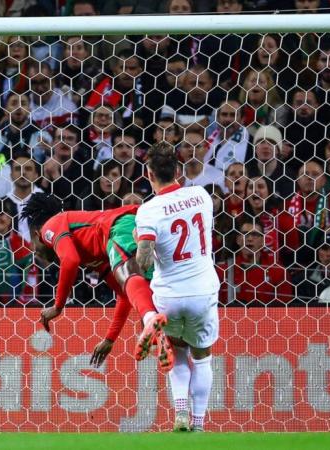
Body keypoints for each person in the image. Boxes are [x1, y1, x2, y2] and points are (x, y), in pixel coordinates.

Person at [21, 193, 174, 372]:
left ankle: (151, 322)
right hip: (138, 228)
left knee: (136, 290)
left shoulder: (51, 225)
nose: (35, 251)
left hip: (119, 228)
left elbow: (70, 260)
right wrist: (109, 339)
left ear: (37, 234)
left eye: (33, 243)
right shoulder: (93, 251)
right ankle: (164, 336)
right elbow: (124, 295)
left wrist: (57, 307)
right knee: (142, 292)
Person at [132, 142, 220, 432]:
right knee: (203, 356)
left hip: (169, 294)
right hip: (203, 289)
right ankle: (198, 424)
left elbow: (143, 263)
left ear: (149, 174)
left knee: (177, 351)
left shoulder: (148, 211)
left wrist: (138, 237)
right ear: (178, 170)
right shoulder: (201, 196)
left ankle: (180, 409)